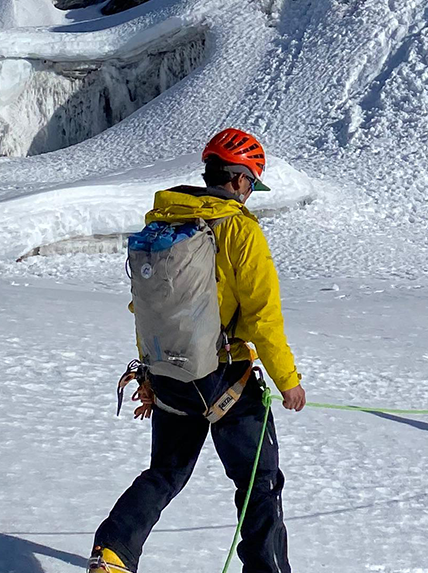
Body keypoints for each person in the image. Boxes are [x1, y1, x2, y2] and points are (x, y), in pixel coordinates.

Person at [90, 128, 305, 573]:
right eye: (251, 183)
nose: (250, 194)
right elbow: (263, 315)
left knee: (166, 473)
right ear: (241, 180)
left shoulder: (165, 221)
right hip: (226, 376)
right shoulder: (239, 230)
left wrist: (151, 372)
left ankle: (112, 553)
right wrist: (288, 380)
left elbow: (146, 307)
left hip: (171, 370)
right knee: (258, 482)